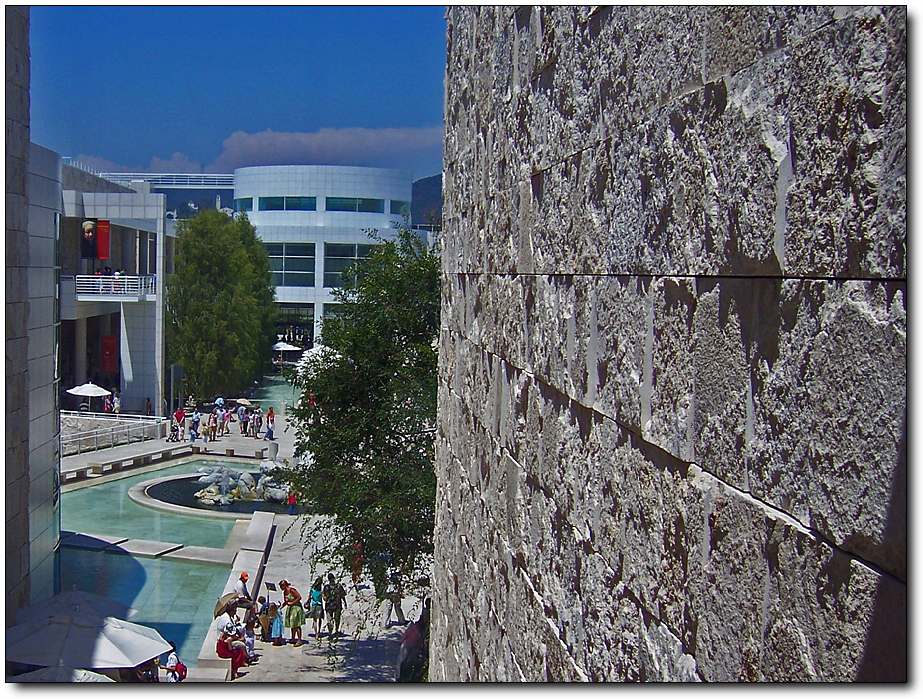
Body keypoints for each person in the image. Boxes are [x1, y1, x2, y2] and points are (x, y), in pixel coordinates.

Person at [216, 603, 248, 680]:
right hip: (225, 644)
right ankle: (244, 659)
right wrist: (240, 639)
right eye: (235, 611)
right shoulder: (227, 622)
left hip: (224, 642)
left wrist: (236, 621)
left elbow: (233, 630)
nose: (236, 612)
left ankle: (244, 660)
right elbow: (232, 635)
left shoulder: (226, 616)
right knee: (241, 646)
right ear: (231, 611)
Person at [278, 579, 305, 647]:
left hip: (296, 608)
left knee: (297, 624)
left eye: (281, 586)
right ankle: (292, 638)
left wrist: (292, 603)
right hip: (290, 609)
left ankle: (299, 640)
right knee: (292, 624)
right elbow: (286, 602)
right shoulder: (284, 592)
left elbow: (299, 597)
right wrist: (280, 607)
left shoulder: (291, 590)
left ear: (284, 585)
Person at [323, 573, 347, 639]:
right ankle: (336, 631)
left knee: (329, 620)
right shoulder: (339, 586)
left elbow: (324, 597)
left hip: (329, 606)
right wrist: (345, 603)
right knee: (337, 619)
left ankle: (330, 633)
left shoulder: (326, 587)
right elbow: (343, 596)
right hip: (337, 605)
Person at [309, 577, 325, 641]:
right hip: (319, 605)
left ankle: (316, 634)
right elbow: (323, 597)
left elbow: (309, 597)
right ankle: (319, 631)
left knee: (314, 620)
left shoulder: (312, 589)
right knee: (320, 619)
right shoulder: (321, 590)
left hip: (313, 604)